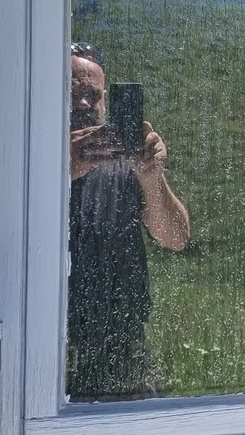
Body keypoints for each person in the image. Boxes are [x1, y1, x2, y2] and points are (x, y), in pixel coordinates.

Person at [66, 42, 191, 401]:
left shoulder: (124, 166)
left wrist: (151, 177)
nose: (84, 105)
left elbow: (177, 238)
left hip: (122, 346)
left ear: (106, 101)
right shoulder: (23, 159)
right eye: (72, 93)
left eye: (93, 95)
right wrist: (58, 167)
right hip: (43, 345)